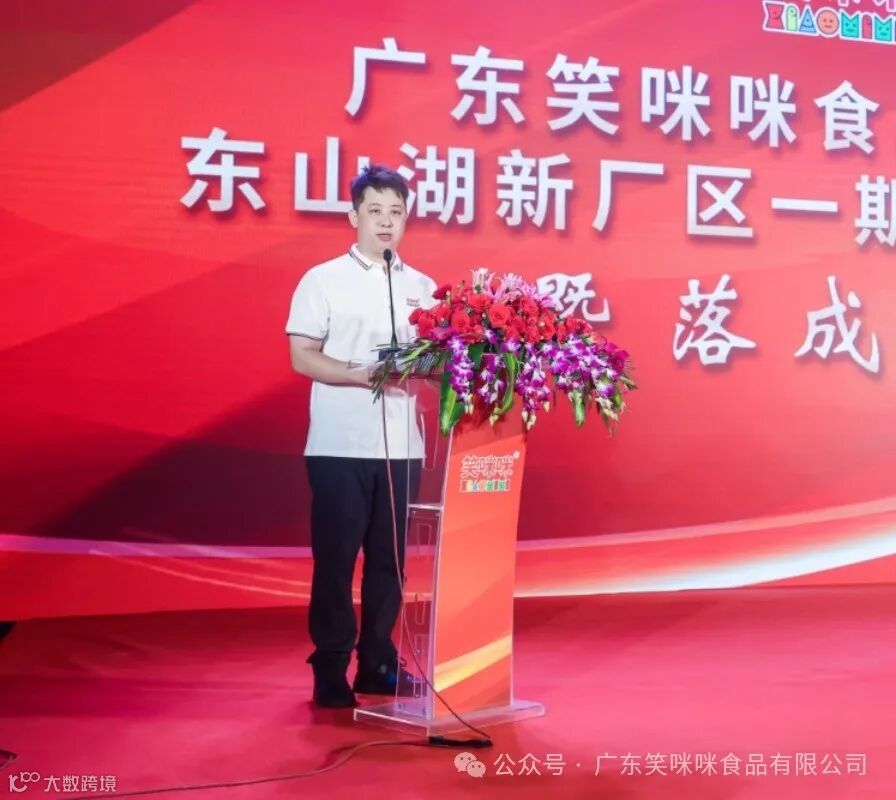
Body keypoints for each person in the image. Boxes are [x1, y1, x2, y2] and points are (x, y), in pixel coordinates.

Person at [286, 165, 436, 708]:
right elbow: (302, 355)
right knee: (336, 559)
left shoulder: (422, 288)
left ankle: (377, 663)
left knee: (389, 562)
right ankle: (330, 666)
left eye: (396, 212)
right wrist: (364, 373)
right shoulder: (323, 279)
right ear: (354, 217)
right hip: (339, 445)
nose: (386, 222)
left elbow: (435, 362)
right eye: (375, 211)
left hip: (401, 446)